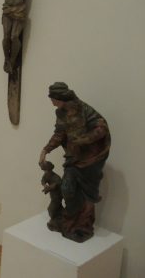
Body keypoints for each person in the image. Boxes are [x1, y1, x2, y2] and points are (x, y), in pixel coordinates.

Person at [39, 82, 111, 242]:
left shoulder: (85, 110)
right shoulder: (60, 113)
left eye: (53, 99)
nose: (52, 102)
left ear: (60, 98)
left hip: (91, 159)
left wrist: (83, 140)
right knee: (67, 189)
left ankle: (83, 226)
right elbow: (59, 134)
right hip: (74, 158)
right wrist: (46, 149)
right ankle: (69, 220)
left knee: (88, 193)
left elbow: (102, 129)